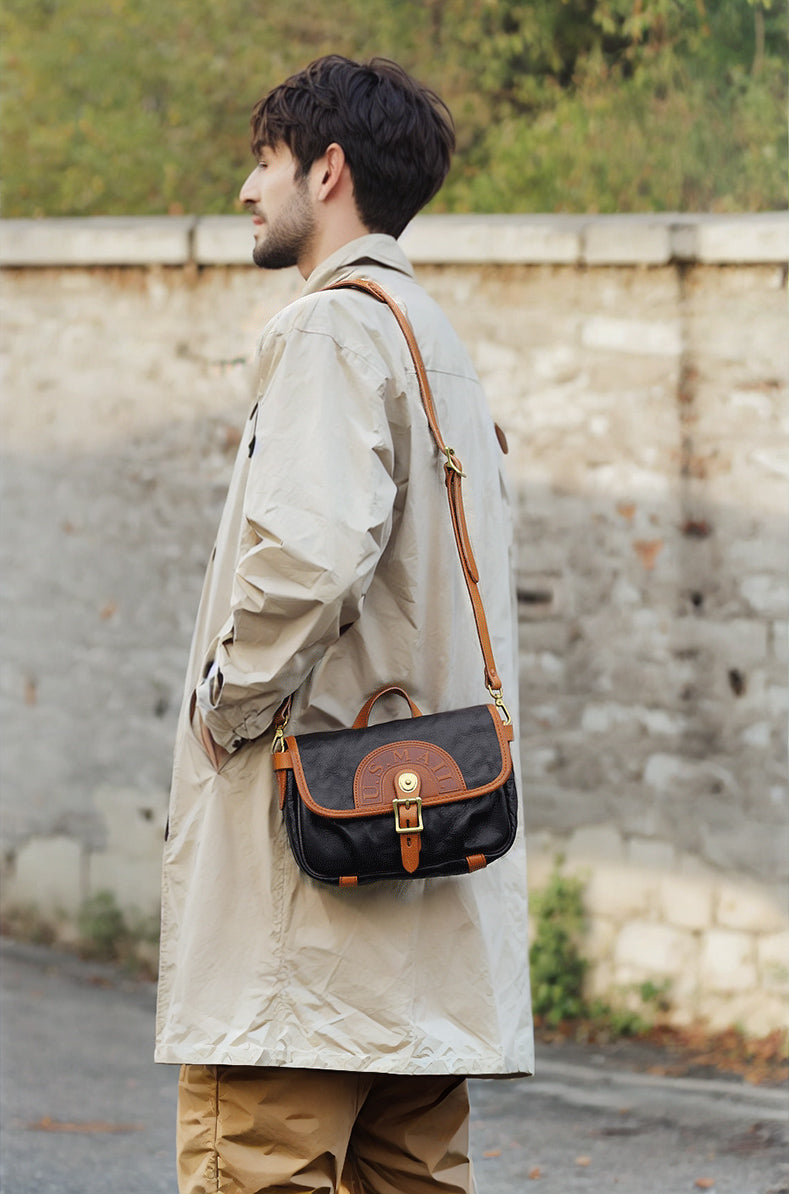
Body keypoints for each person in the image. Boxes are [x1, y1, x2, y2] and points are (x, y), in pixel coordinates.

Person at [155, 54, 533, 1194]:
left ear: (328, 171)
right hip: (424, 904)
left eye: (263, 160)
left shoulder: (327, 332)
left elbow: (309, 559)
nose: (245, 189)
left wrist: (225, 709)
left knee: (255, 1169)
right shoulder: (434, 337)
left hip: (306, 906)